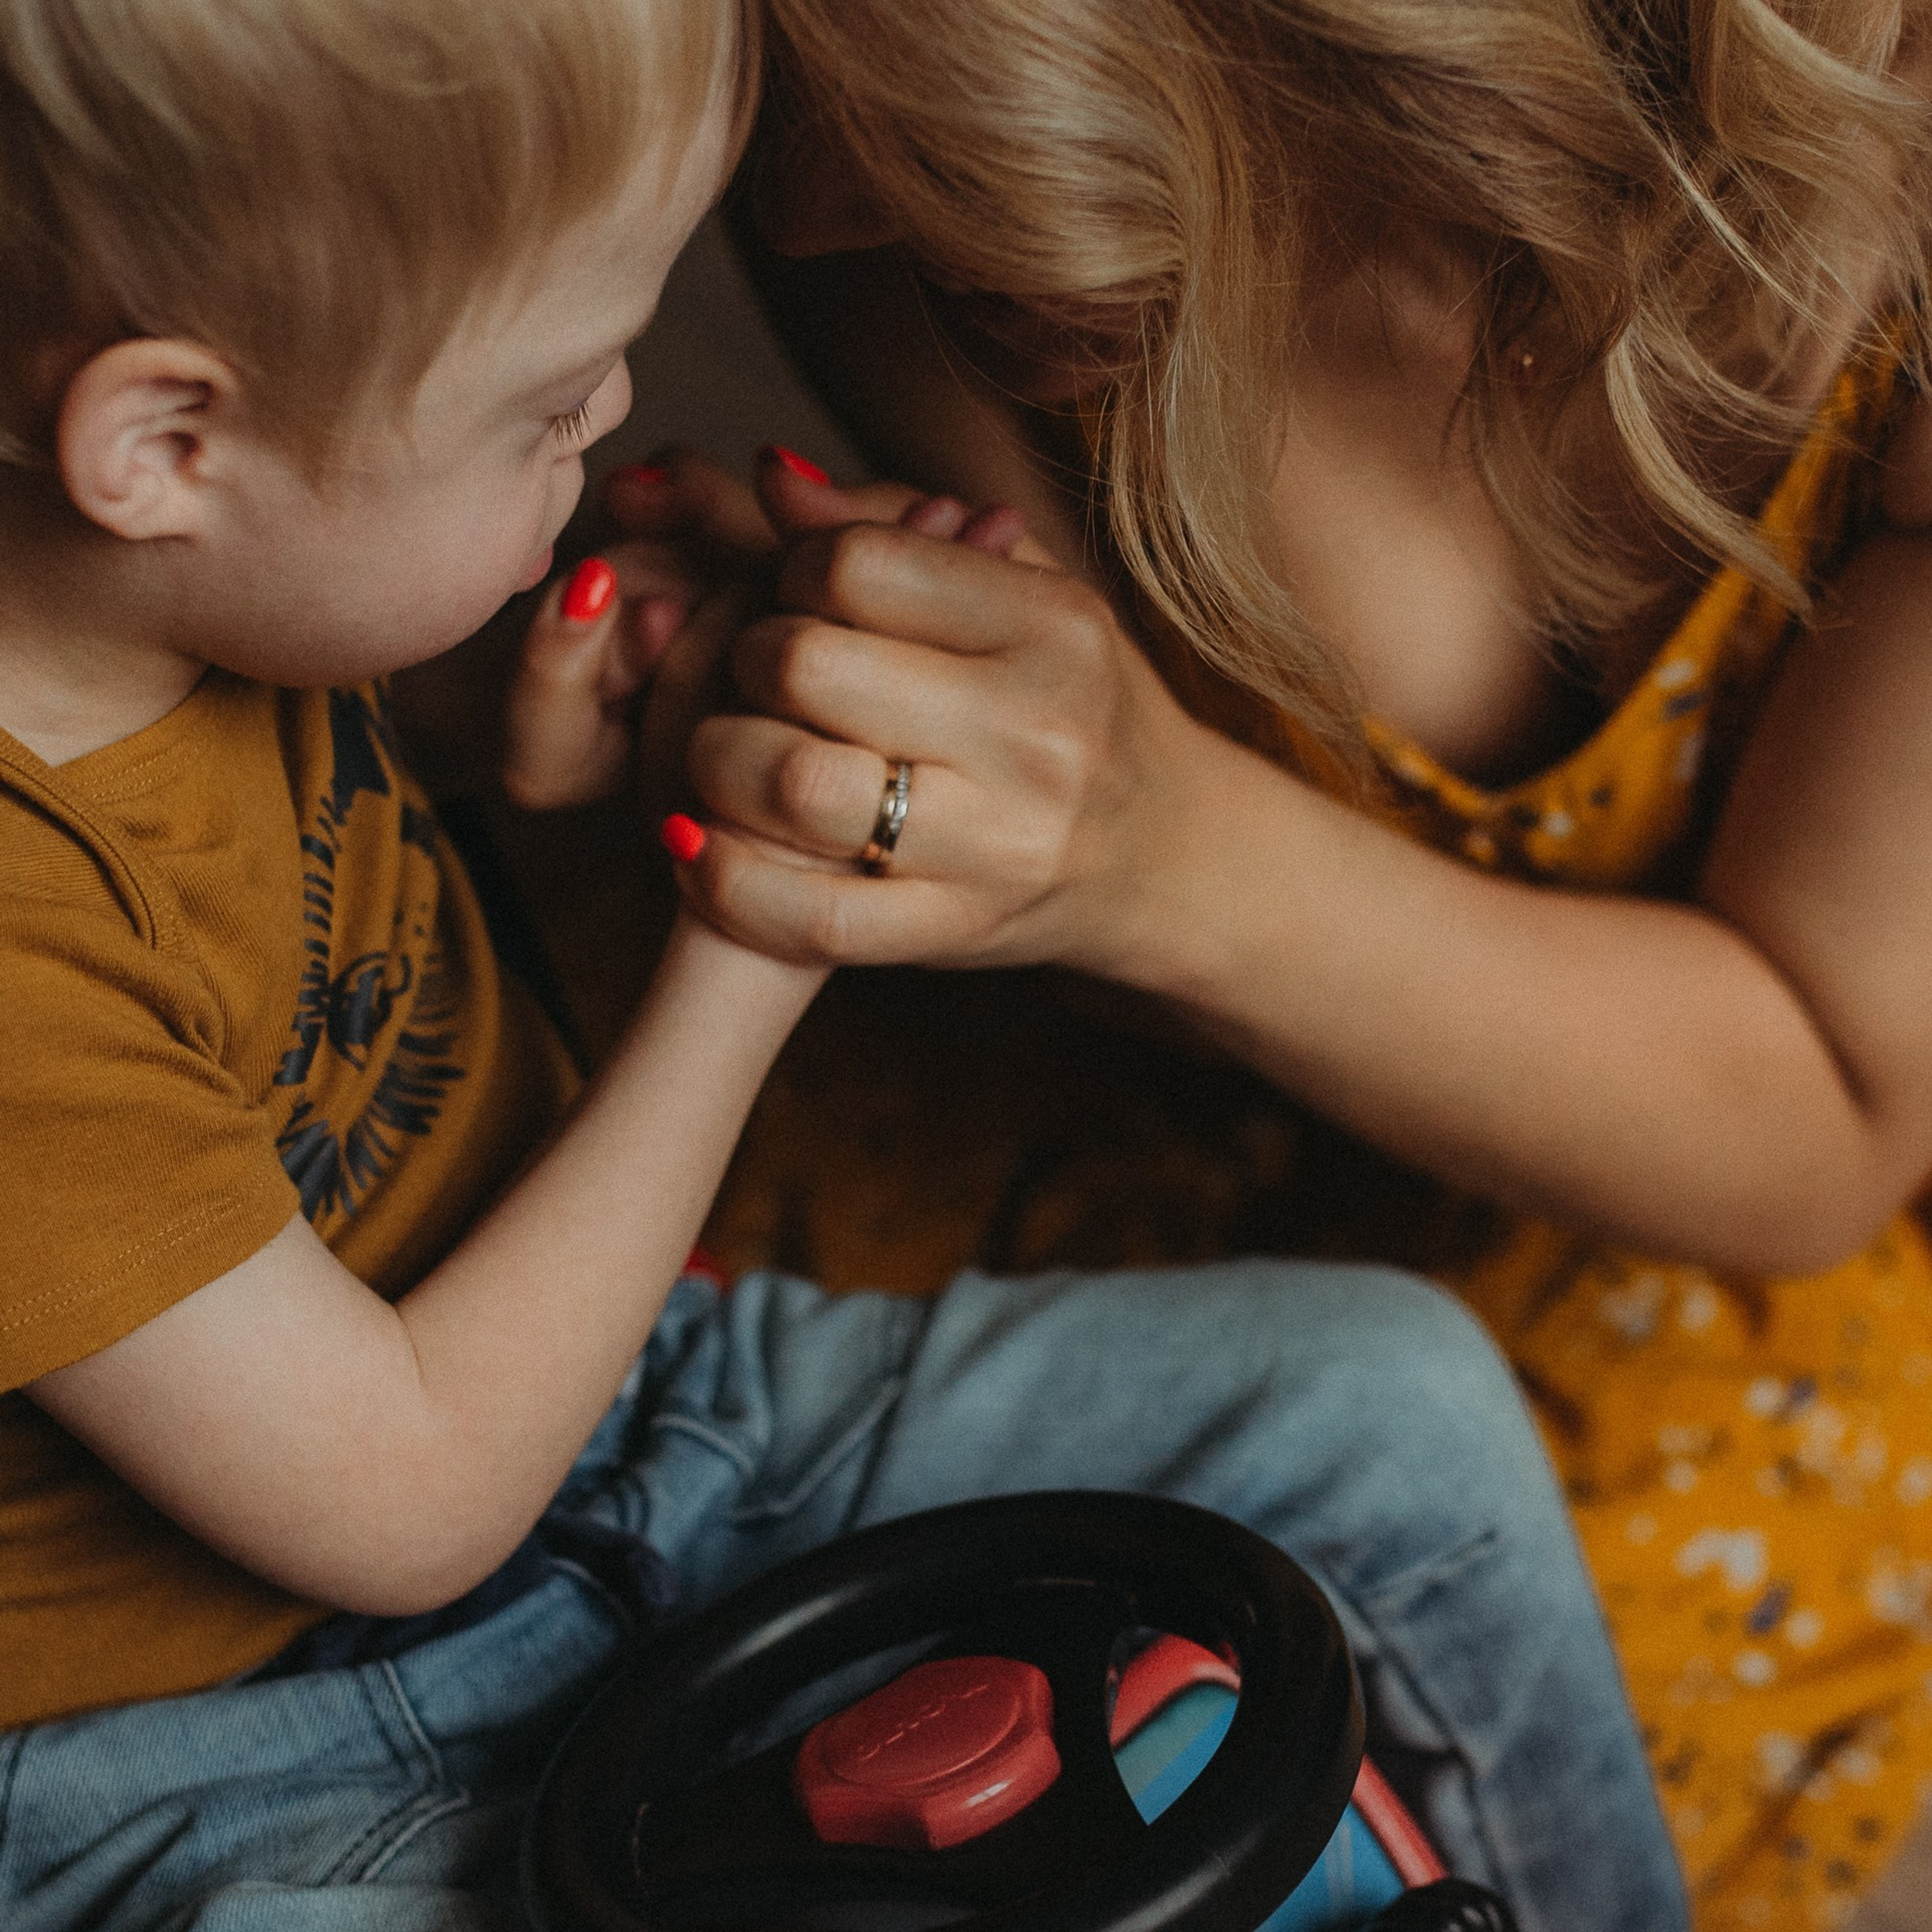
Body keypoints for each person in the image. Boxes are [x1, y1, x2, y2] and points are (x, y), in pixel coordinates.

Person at [0, 3, 1679, 1930]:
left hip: (645, 1418)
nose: (613, 412)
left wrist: (523, 695)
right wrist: (749, 943)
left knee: (1394, 1409)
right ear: (165, 442)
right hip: (207, 1740)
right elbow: (409, 1495)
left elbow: (246, 816)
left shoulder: (150, 585)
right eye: (543, 405)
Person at [566, 2, 1932, 1925]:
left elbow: (1828, 1109)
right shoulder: (881, 176)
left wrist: (1153, 848)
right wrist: (898, 727)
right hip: (1141, 1103)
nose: (785, 217)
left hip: (1686, 1229)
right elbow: (1113, 880)